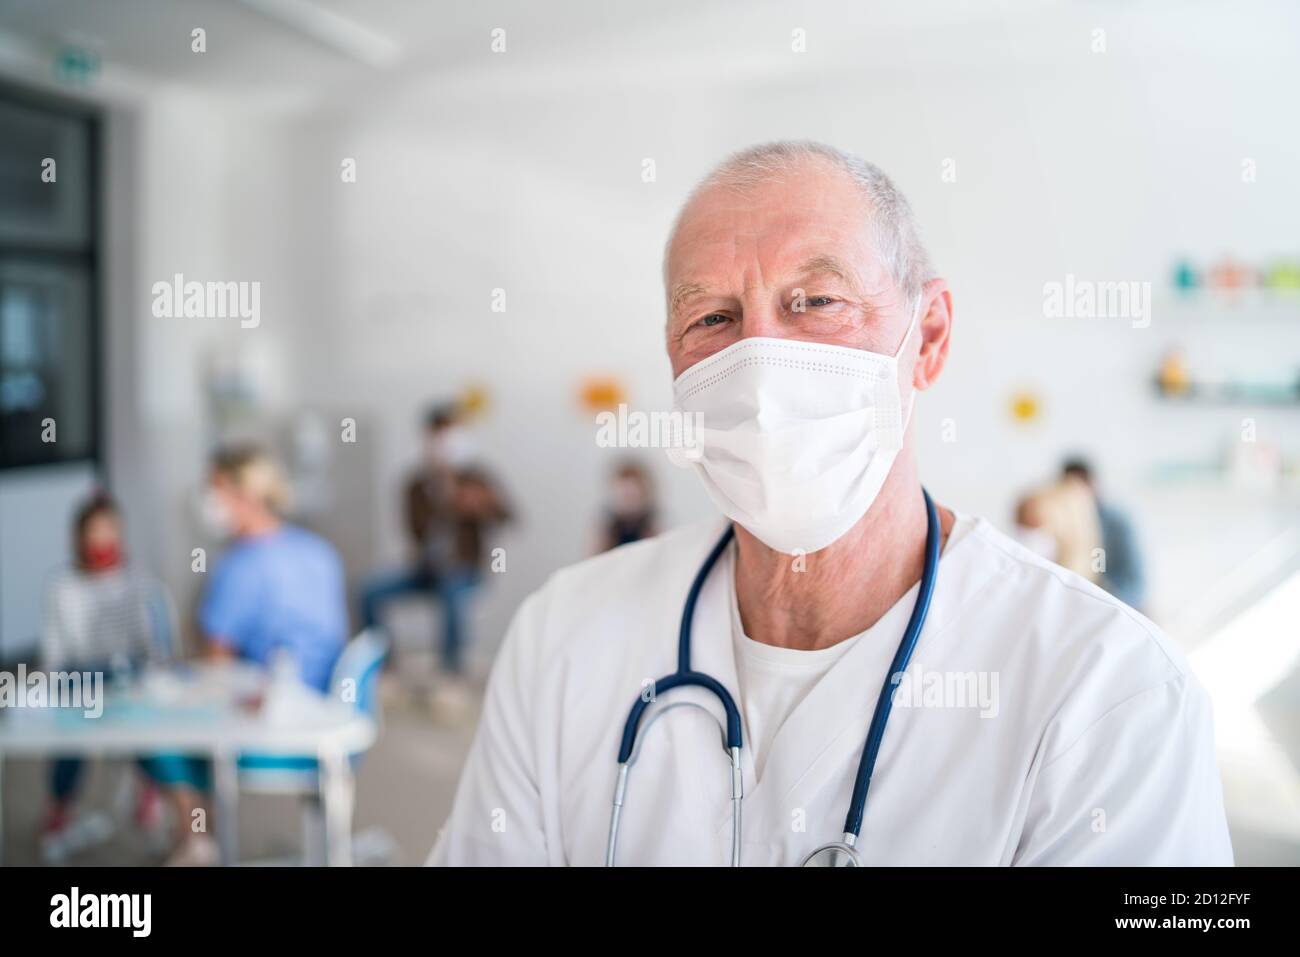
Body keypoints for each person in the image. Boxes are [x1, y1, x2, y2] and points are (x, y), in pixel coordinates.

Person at [430, 141, 1231, 866]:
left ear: (929, 337)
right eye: (712, 317)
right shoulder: (561, 639)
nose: (761, 365)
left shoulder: (1111, 696)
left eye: (816, 301)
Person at [143, 443, 349, 866]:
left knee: (155, 730)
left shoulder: (239, 567)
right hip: (331, 715)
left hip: (274, 725)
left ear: (244, 494)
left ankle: (195, 836)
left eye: (213, 489)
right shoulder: (319, 551)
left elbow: (216, 667)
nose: (207, 502)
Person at [39, 492, 169, 862]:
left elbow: (149, 643)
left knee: (141, 719)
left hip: (125, 671)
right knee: (72, 731)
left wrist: (154, 673)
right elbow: (55, 650)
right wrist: (49, 689)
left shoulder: (136, 580)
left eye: (109, 530)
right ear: (79, 536)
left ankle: (149, 791)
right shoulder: (61, 584)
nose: (101, 539)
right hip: (79, 675)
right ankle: (60, 807)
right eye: (94, 531)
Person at [360, 405, 511, 686]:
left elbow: (508, 517)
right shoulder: (416, 484)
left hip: (465, 569)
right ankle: (385, 666)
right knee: (369, 590)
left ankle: (451, 673)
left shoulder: (478, 479)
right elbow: (414, 531)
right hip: (425, 570)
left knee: (452, 590)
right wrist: (444, 494)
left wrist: (478, 503)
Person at [1062, 457, 1148, 612]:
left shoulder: (1117, 521)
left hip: (1121, 608)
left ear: (1092, 483)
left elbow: (1136, 583)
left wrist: (1105, 607)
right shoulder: (1061, 524)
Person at [596, 460, 658, 552]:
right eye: (625, 495)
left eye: (632, 496)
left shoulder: (653, 524)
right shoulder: (606, 526)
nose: (629, 501)